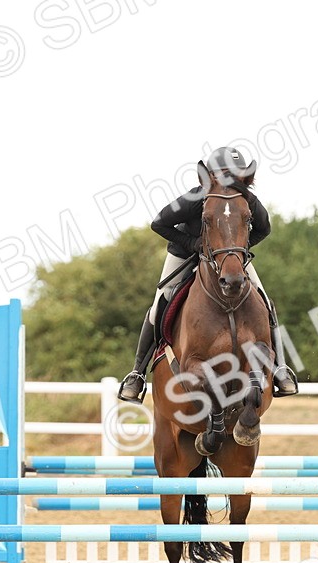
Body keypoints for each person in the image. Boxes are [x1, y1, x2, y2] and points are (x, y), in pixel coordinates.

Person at [117, 146, 299, 402]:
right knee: (161, 300)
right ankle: (137, 374)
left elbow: (264, 229)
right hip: (184, 251)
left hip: (228, 256)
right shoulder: (194, 199)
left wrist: (235, 251)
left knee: (264, 300)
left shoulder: (247, 200)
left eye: (234, 176)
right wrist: (194, 244)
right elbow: (158, 223)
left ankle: (280, 368)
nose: (228, 182)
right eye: (223, 175)